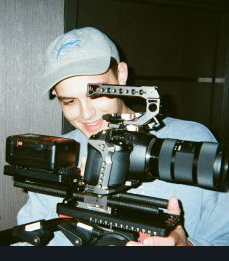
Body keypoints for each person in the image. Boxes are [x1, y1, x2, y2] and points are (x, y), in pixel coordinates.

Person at [17, 26, 229, 246]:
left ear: (121, 74)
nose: (86, 114)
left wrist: (187, 248)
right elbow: (27, 243)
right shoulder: (60, 154)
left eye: (97, 94)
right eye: (69, 101)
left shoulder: (192, 140)